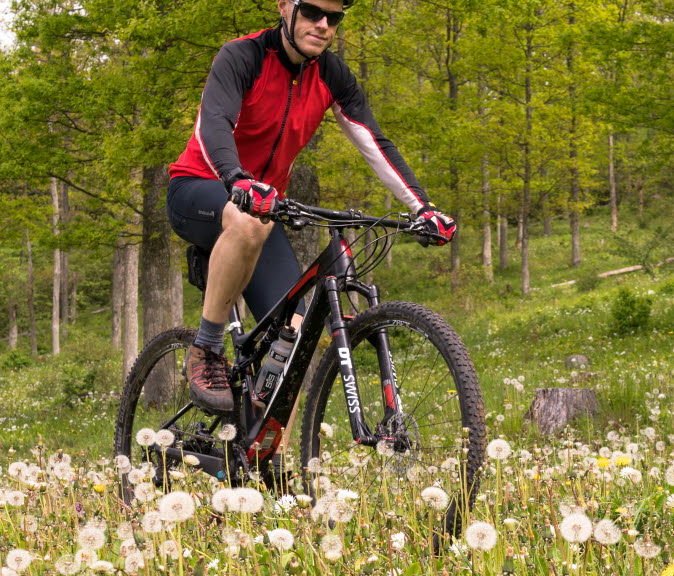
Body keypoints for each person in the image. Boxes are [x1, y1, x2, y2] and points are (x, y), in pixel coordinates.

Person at [166, 0, 456, 414]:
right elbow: (213, 122)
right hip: (199, 187)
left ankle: (264, 458)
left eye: (333, 18)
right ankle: (206, 349)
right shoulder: (243, 56)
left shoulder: (331, 74)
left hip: (262, 209)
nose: (322, 25)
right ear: (285, 7)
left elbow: (373, 141)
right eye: (312, 12)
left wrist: (422, 207)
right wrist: (237, 178)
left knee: (294, 340)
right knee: (248, 224)